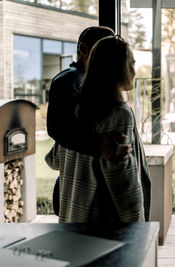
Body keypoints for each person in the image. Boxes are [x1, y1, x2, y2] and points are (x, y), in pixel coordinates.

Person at [45, 35, 151, 223]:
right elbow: (124, 186)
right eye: (131, 64)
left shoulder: (76, 110)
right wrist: (139, 229)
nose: (135, 71)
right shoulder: (118, 113)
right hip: (105, 224)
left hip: (73, 220)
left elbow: (54, 161)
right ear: (118, 68)